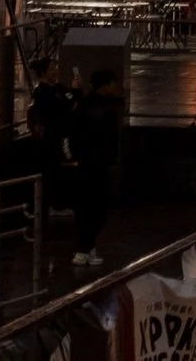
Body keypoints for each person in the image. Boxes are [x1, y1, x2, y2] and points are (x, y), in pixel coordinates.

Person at [68, 69, 124, 268]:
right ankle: (84, 247)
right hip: (95, 164)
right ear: (105, 85)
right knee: (94, 207)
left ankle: (86, 246)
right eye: (113, 84)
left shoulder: (86, 104)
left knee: (90, 207)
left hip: (89, 163)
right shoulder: (102, 108)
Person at [28, 60, 76, 218]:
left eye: (56, 67)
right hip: (51, 139)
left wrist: (75, 91)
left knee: (63, 167)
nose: (56, 70)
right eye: (52, 68)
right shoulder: (41, 93)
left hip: (62, 136)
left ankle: (61, 203)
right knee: (52, 171)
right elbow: (59, 107)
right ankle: (53, 206)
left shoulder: (59, 88)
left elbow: (71, 100)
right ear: (43, 73)